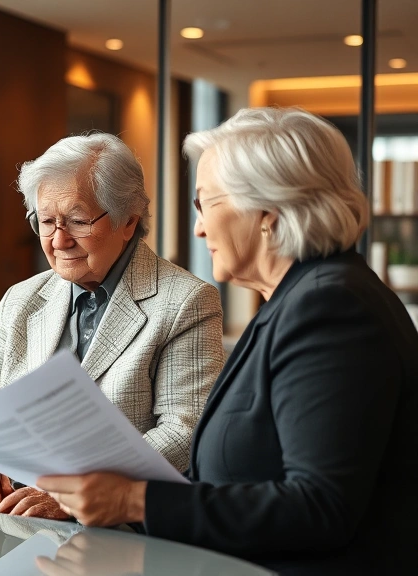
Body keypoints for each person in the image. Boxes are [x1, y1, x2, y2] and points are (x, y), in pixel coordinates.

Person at [37, 108, 418, 572]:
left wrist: (135, 501)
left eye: (207, 204)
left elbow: (320, 507)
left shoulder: (331, 309)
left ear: (267, 212)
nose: (199, 229)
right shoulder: (299, 302)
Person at [0, 133, 225, 519]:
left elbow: (184, 432)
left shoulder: (184, 302)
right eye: (46, 221)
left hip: (104, 524)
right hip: (4, 512)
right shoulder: (21, 299)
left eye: (76, 221)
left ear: (128, 221)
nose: (59, 240)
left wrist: (73, 494)